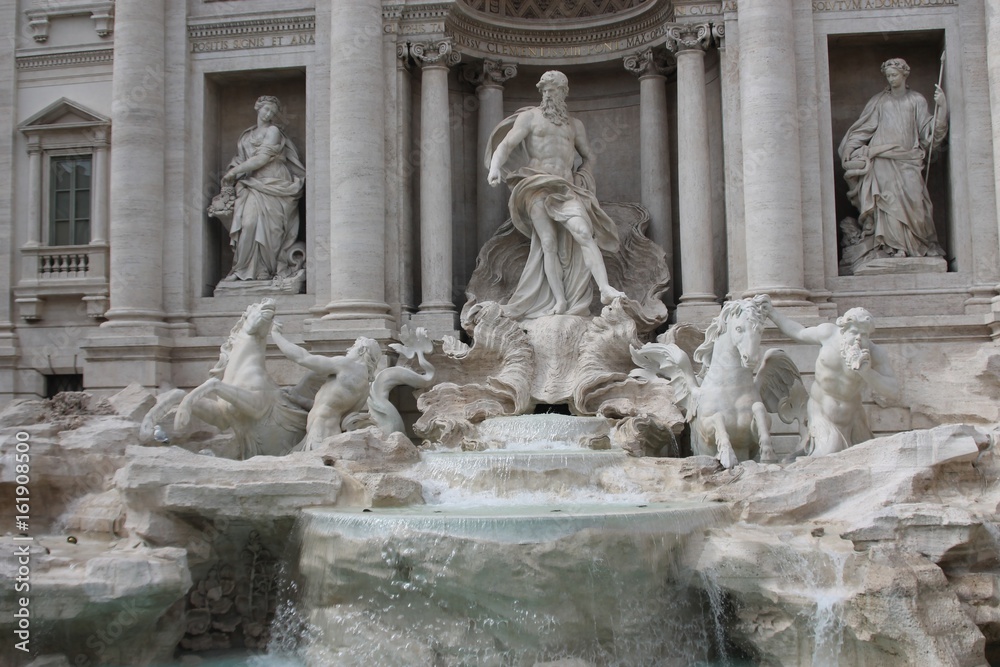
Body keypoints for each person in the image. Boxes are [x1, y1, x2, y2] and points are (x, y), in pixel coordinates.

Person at [485, 71, 625, 319]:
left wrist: (584, 175)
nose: (549, 94)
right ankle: (559, 301)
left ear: (564, 92)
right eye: (545, 89)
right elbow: (506, 145)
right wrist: (495, 167)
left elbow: (589, 156)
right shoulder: (530, 118)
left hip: (566, 187)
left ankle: (604, 289)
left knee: (583, 232)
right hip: (536, 185)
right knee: (547, 243)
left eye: (554, 89)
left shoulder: (574, 125)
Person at [838, 58, 947, 259]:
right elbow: (863, 129)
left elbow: (929, 134)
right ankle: (894, 247)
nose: (891, 79)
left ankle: (917, 245)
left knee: (917, 204)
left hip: (909, 159)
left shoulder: (917, 100)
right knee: (887, 204)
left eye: (894, 75)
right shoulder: (879, 101)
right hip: (882, 159)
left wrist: (942, 109)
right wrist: (849, 148)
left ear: (904, 74)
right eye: (888, 76)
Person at [764, 302, 899, 457]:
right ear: (844, 329)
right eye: (854, 332)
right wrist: (772, 313)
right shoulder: (828, 333)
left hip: (853, 418)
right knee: (828, 454)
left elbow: (893, 391)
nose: (858, 339)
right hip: (821, 412)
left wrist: (866, 372)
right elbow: (799, 332)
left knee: (865, 458)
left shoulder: (875, 353)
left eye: (864, 335)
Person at [221, 95, 305, 281]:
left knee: (273, 230)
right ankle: (242, 269)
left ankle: (266, 270)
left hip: (275, 181)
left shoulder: (273, 131)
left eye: (273, 112)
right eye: (266, 109)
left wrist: (234, 173)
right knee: (248, 224)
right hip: (252, 183)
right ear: (257, 107)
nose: (268, 114)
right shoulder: (246, 136)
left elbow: (261, 158)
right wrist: (234, 171)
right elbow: (241, 159)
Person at [270, 323, 382, 450]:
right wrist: (298, 400)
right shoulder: (364, 387)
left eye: (353, 347)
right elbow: (330, 406)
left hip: (320, 432)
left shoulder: (347, 365)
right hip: (329, 432)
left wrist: (276, 336)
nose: (348, 350)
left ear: (361, 350)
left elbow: (303, 358)